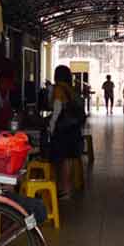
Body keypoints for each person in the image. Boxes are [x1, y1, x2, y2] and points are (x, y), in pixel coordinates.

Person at [49, 65, 86, 197]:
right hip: (73, 127)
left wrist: (51, 126)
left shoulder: (58, 89)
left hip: (63, 128)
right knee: (69, 158)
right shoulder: (71, 89)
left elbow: (57, 110)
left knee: (62, 158)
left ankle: (64, 189)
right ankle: (68, 188)